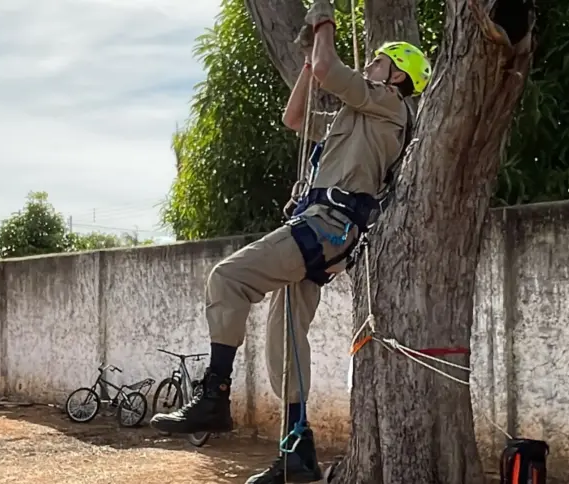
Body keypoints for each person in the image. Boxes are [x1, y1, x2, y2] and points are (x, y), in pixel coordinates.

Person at [149, 1, 432, 482]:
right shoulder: (357, 118)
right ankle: (297, 455)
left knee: (229, 278)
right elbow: (295, 117)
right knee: (285, 342)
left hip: (327, 224)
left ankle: (213, 395)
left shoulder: (389, 105)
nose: (370, 65)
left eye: (380, 61)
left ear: (399, 75)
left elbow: (330, 67)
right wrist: (306, 63)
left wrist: (325, 18)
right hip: (325, 229)